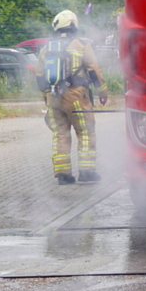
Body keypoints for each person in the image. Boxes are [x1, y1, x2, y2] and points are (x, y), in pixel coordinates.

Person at [37, 10, 109, 185]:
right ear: (74, 25)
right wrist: (103, 91)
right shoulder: (81, 45)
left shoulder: (47, 47)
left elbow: (39, 75)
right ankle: (86, 172)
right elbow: (93, 70)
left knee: (60, 134)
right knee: (85, 132)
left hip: (53, 97)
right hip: (76, 95)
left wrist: (46, 97)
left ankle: (63, 175)